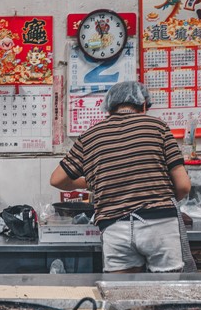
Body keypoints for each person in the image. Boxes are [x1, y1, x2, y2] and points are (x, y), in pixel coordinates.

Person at [50, 81, 193, 273]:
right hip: (160, 226)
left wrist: (93, 182)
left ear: (108, 108)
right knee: (167, 295)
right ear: (143, 105)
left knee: (123, 295)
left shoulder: (90, 135)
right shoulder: (157, 127)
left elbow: (57, 180)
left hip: (115, 228)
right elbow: (183, 186)